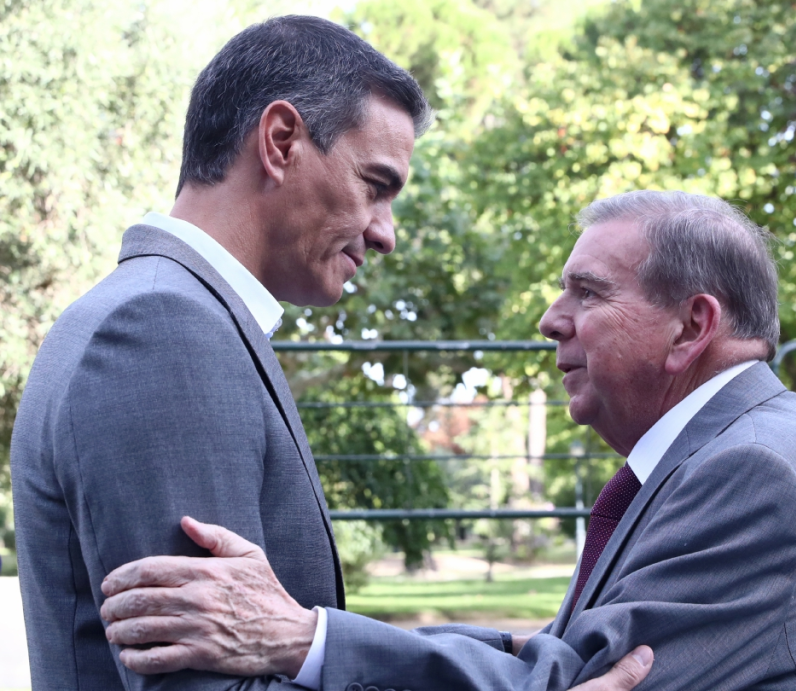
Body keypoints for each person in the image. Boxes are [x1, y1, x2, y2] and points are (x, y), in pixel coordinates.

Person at [10, 15, 647, 691]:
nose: (386, 234)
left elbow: (281, 632)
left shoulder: (159, 312)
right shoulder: (165, 331)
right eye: (375, 185)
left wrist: (504, 651)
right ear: (280, 141)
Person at [100, 190, 796, 689]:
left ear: (692, 325)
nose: (550, 319)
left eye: (586, 292)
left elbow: (570, 677)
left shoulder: (754, 470)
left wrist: (300, 638)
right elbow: (558, 652)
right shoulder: (733, 449)